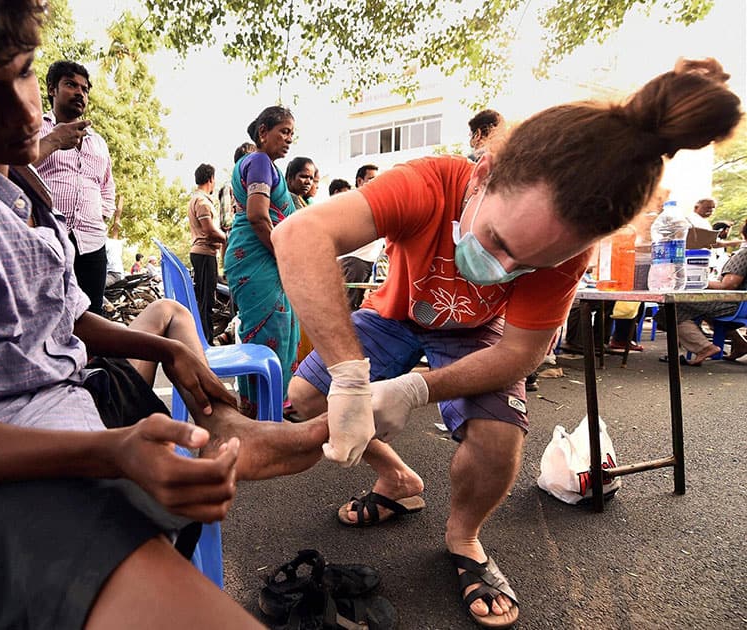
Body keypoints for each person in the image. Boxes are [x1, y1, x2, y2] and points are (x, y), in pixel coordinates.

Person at [0, 2, 329, 628]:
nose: (27, 110)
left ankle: (222, 430)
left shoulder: (2, 176)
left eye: (25, 72)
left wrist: (170, 351)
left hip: (62, 392)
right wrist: (110, 453)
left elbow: (67, 312)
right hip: (8, 479)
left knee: (162, 336)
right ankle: (216, 438)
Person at [271, 58, 742, 628]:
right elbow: (299, 235)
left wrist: (415, 390)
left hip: (478, 335)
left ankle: (464, 538)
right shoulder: (431, 180)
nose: (498, 268)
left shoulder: (569, 253)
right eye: (496, 239)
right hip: (395, 316)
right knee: (305, 396)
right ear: (484, 174)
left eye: (527, 263)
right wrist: (349, 379)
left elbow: (521, 353)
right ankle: (399, 478)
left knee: (498, 443)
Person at [223, 106, 300, 416]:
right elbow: (258, 216)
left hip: (257, 255)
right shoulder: (258, 161)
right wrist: (283, 255)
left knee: (279, 327)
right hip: (258, 255)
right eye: (284, 131)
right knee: (269, 330)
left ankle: (269, 403)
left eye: (292, 134)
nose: (289, 139)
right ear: (263, 132)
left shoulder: (261, 164)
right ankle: (261, 409)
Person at [33, 60, 116, 317]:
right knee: (47, 317)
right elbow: (14, 170)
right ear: (52, 89)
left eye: (85, 88)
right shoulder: (35, 128)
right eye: (70, 84)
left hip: (92, 244)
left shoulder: (98, 143)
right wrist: (54, 140)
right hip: (46, 239)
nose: (80, 92)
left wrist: (97, 220)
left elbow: (106, 187)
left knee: (93, 318)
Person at [672, 221, 747, 363]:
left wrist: (698, 283)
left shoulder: (744, 254)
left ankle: (704, 347)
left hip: (735, 304)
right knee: (701, 308)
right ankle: (740, 343)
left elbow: (727, 286)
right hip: (741, 304)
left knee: (674, 306)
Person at [187, 163, 225, 343]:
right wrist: (227, 238)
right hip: (204, 254)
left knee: (205, 300)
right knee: (206, 302)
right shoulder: (202, 201)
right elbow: (209, 230)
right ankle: (205, 342)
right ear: (211, 179)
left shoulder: (198, 199)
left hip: (204, 254)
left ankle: (205, 340)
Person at [339, 164, 385, 311]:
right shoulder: (354, 201)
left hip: (370, 262)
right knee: (349, 309)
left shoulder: (375, 201)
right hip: (355, 262)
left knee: (361, 308)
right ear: (360, 181)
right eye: (371, 179)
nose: (376, 182)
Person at [105, 198, 125, 287]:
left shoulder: (105, 243)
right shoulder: (114, 242)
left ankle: (103, 302)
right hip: (116, 273)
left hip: (113, 274)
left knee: (95, 287)